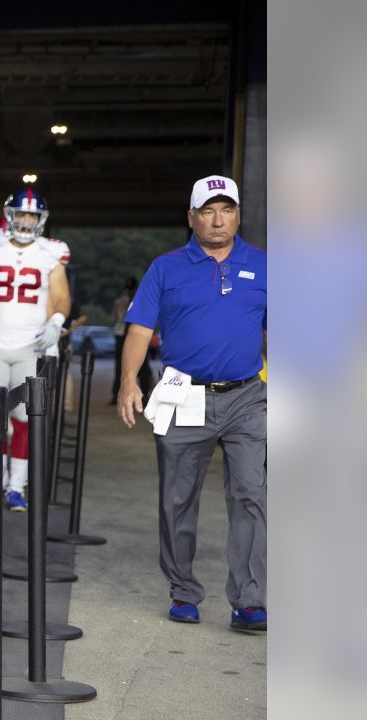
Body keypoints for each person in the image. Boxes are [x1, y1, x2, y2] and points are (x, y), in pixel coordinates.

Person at [117, 175, 267, 632]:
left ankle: (250, 599)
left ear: (238, 215)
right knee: (177, 500)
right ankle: (183, 590)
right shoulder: (166, 268)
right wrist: (128, 381)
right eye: (208, 210)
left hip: (247, 397)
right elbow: (140, 328)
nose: (218, 220)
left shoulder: (265, 266)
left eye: (226, 209)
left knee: (252, 494)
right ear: (191, 218)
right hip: (184, 395)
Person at [0, 189, 71, 511]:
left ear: (41, 219)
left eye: (32, 216)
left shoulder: (51, 253)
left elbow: (62, 295)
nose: (26, 221)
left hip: (30, 345)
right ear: (10, 215)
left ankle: (16, 486)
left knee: (25, 419)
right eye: (21, 214)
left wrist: (56, 318)